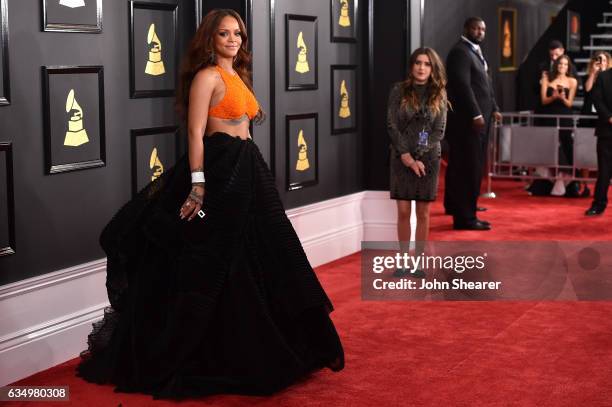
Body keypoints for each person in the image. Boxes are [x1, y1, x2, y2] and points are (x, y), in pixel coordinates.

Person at [75, 9, 344, 399]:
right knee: (217, 258)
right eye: (224, 33)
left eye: (238, 33)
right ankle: (210, 353)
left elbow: (245, 125)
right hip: (219, 173)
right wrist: (198, 186)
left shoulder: (237, 75)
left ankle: (265, 346)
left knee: (266, 254)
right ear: (210, 39)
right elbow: (195, 133)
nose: (233, 39)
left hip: (250, 170)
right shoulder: (207, 77)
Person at [387, 47, 447, 278]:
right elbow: (392, 125)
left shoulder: (438, 93)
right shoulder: (398, 91)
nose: (422, 68)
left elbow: (437, 131)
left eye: (427, 64)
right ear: (412, 66)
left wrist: (418, 156)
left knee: (423, 212)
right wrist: (407, 157)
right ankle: (402, 261)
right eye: (418, 63)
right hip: (400, 157)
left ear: (432, 69)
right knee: (403, 211)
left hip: (428, 159)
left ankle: (418, 263)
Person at [444, 17, 500, 230]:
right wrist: (475, 114)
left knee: (466, 166)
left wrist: (493, 107)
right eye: (476, 28)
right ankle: (465, 218)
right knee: (468, 168)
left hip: (479, 120)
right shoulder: (460, 51)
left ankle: (461, 207)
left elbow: (485, 84)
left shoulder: (474, 51)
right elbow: (462, 86)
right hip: (469, 123)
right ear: (466, 28)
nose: (479, 31)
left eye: (483, 29)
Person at [535, 54, 578, 197]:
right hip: (549, 117)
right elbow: (543, 101)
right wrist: (553, 97)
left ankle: (564, 181)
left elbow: (570, 104)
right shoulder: (547, 78)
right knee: (549, 148)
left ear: (568, 67)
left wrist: (563, 98)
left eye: (565, 65)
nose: (562, 67)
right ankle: (548, 182)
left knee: (565, 147)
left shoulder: (572, 81)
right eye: (560, 64)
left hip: (565, 117)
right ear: (556, 65)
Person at [585, 64, 612, 216]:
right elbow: (597, 100)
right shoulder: (603, 77)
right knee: (604, 172)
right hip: (606, 132)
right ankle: (598, 204)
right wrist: (609, 117)